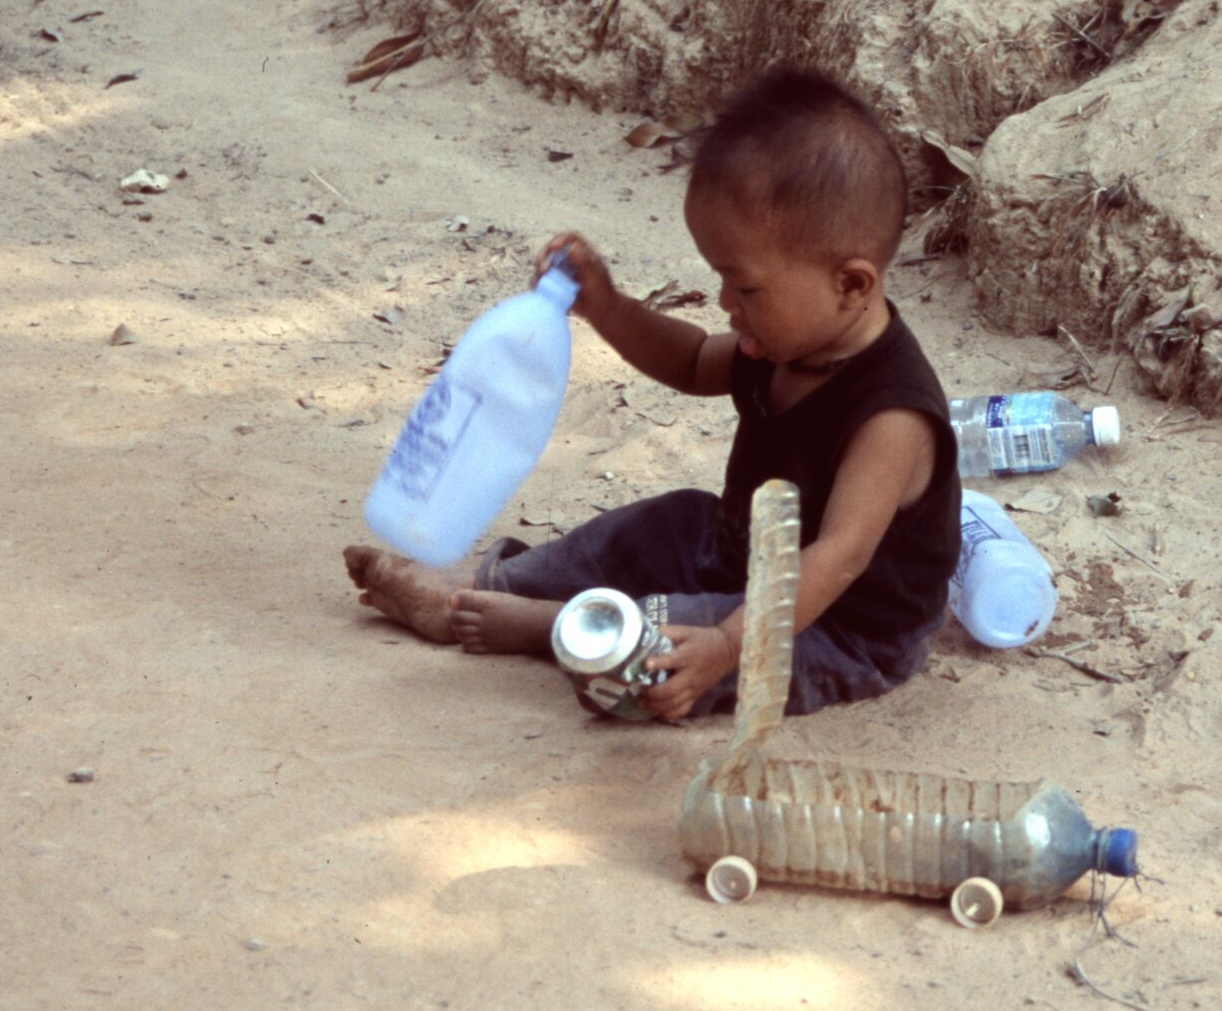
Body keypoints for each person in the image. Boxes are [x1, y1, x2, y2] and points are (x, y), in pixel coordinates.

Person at [343, 67, 961, 721]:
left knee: (670, 641)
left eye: (744, 287)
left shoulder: (890, 417)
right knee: (661, 524)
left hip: (837, 627)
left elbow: (837, 557)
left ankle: (532, 624)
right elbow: (692, 360)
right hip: (737, 553)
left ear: (852, 285)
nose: (727, 304)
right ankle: (489, 583)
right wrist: (607, 307)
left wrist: (727, 643)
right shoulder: (784, 340)